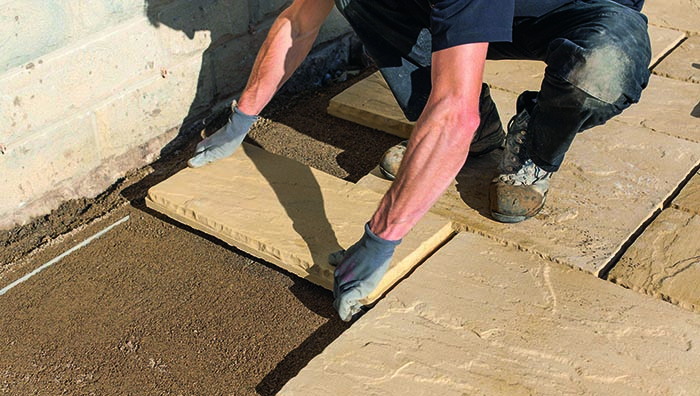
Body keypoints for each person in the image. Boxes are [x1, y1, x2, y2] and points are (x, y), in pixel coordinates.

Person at [187, 0, 651, 321]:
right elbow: (300, 21)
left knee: (601, 71)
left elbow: (454, 114)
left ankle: (535, 150)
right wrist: (242, 117)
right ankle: (480, 142)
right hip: (482, 9)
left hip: (582, 15)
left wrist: (380, 240)